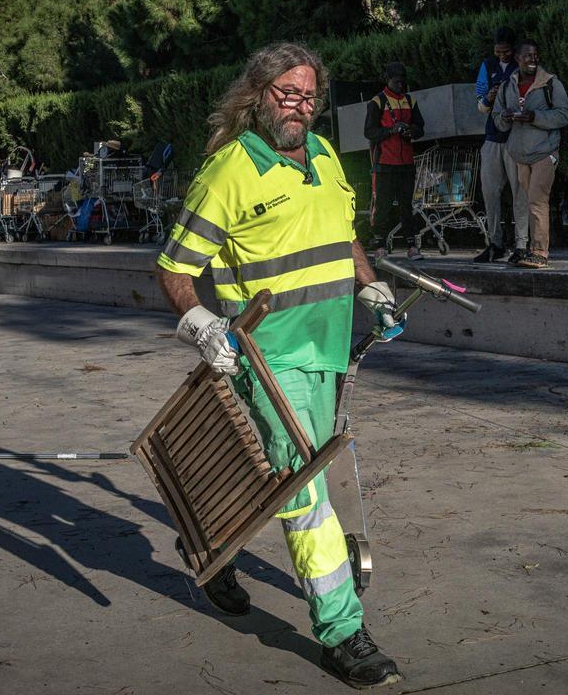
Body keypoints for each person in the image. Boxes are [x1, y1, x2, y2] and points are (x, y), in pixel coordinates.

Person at [155, 42, 404, 690]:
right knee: (302, 488)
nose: (298, 106)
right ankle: (342, 631)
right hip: (268, 356)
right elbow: (175, 269)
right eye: (285, 93)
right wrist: (200, 323)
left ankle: (206, 541)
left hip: (330, 349)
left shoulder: (323, 157)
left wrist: (370, 286)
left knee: (270, 470)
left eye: (308, 95)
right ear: (258, 95)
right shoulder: (228, 171)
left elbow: (342, 230)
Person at [492, 41, 568, 268]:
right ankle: (531, 250)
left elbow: (565, 115)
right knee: (529, 203)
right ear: (517, 58)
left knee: (538, 200)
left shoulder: (550, 83)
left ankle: (539, 253)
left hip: (544, 152)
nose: (533, 59)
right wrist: (506, 118)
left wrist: (534, 116)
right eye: (527, 56)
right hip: (520, 155)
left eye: (535, 56)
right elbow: (497, 120)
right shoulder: (508, 86)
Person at [363, 62, 425, 261]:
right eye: (396, 81)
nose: (400, 85)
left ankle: (411, 245)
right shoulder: (377, 101)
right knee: (383, 205)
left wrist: (410, 131)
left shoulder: (410, 100)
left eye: (402, 81)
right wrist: (391, 130)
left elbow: (420, 127)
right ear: (387, 80)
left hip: (406, 162)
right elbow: (369, 132)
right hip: (385, 163)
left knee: (408, 205)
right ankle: (380, 244)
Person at [473, 27, 519, 262]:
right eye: (498, 51)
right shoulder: (488, 65)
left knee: (519, 192)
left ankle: (521, 242)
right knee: (490, 193)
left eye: (506, 51)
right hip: (492, 136)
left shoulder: (520, 65)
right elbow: (480, 104)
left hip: (514, 138)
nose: (502, 56)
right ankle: (495, 241)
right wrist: (489, 98)